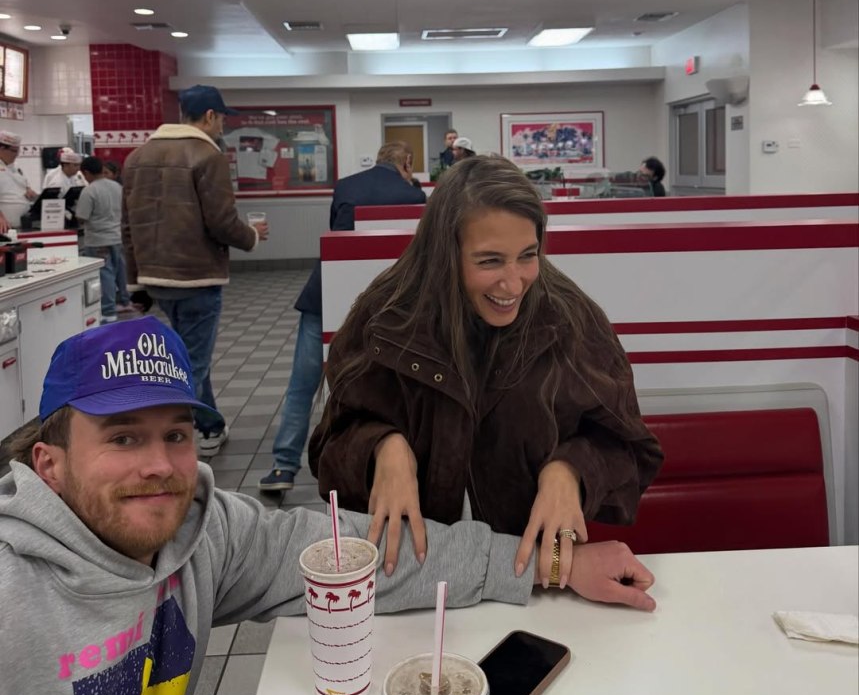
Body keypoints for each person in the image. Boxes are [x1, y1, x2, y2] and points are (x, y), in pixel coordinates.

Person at [0, 318, 656, 695]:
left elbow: (368, 555)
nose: (160, 466)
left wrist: (557, 563)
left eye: (175, 434)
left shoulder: (204, 533)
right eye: (122, 438)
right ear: (49, 464)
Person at [309, 156, 663, 587]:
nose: (513, 284)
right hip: (409, 581)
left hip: (539, 575)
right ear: (444, 254)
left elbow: (631, 448)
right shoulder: (385, 318)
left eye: (527, 256)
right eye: (490, 261)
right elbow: (328, 447)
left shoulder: (570, 319)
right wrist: (381, 446)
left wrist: (572, 470)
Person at [259, 142, 427, 491]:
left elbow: (336, 239)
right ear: (407, 163)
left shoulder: (345, 186)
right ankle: (388, 459)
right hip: (387, 302)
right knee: (387, 382)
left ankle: (283, 466)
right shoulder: (413, 196)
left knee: (303, 383)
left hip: (326, 293)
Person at [122, 84, 269, 458]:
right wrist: (252, 235)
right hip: (196, 276)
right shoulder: (207, 155)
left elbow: (128, 226)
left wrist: (135, 281)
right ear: (209, 116)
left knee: (188, 356)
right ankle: (164, 437)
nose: (222, 126)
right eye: (221, 119)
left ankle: (211, 425)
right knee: (191, 366)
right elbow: (221, 222)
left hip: (155, 277)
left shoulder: (137, 157)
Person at [77, 156, 135, 323]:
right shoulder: (117, 187)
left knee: (105, 275)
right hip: (118, 237)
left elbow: (82, 216)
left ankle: (108, 311)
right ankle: (125, 301)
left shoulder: (89, 191)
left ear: (86, 172)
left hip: (98, 240)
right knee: (121, 271)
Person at [0, 129, 37, 234]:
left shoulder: (16, 167)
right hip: (3, 228)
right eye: (14, 151)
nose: (16, 155)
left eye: (18, 151)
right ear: (2, 149)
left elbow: (24, 185)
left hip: (20, 226)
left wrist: (29, 190)